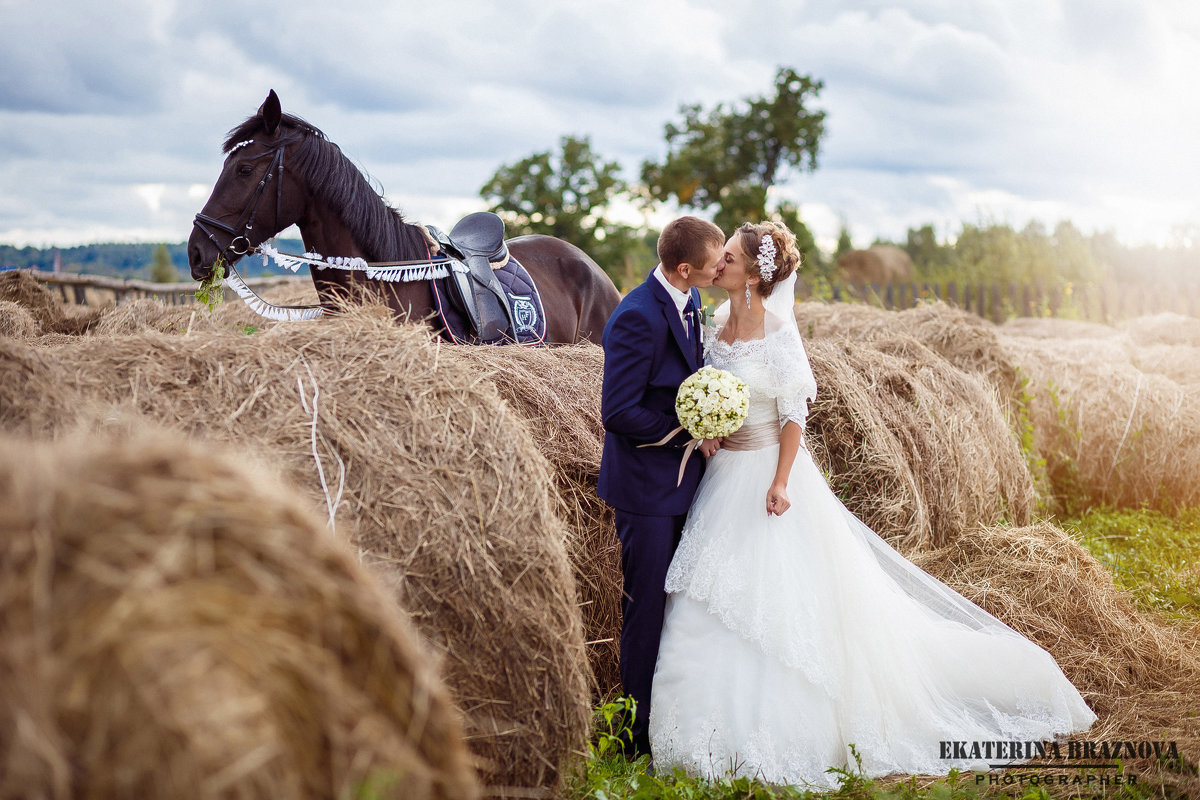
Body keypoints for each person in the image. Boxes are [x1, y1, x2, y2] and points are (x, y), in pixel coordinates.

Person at [647, 221, 1097, 788]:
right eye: (721, 258)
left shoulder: (779, 329)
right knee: (708, 596)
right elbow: (715, 393)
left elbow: (794, 414)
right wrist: (708, 429)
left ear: (756, 273)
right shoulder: (716, 323)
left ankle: (782, 732)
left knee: (775, 600)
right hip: (722, 476)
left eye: (730, 257)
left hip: (767, 477)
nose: (720, 265)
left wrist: (782, 481)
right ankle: (691, 732)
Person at [598, 215, 727, 758]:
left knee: (679, 607)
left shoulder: (689, 301)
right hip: (646, 492)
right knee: (645, 609)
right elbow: (618, 411)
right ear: (683, 268)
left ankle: (671, 723)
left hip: (683, 486)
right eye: (714, 262)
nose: (722, 267)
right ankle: (632, 740)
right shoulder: (636, 316)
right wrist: (689, 431)